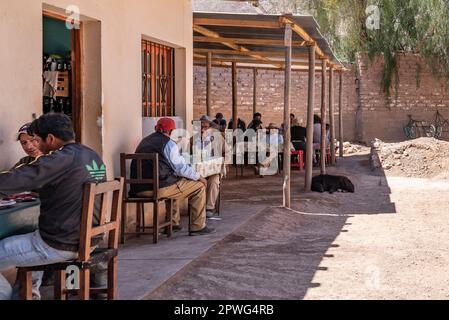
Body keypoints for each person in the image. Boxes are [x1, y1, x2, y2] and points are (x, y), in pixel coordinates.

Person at [0, 113, 106, 300]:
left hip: (61, 243)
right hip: (90, 238)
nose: (37, 145)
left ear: (50, 138)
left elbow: (21, 177)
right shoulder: (90, 154)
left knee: (25, 245)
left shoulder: (62, 158)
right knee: (29, 245)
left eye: (38, 140)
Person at [130, 118, 215, 236]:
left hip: (138, 189)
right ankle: (197, 226)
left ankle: (173, 223)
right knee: (198, 186)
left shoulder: (144, 141)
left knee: (176, 184)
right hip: (158, 189)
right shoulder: (169, 144)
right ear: (171, 131)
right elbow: (180, 168)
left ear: (156, 128)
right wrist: (199, 177)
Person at [194, 116, 223, 220]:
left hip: (212, 169)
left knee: (214, 179)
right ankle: (196, 208)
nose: (203, 130)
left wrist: (222, 163)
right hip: (197, 170)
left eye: (205, 127)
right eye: (201, 127)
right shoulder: (192, 139)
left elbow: (227, 152)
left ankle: (209, 208)